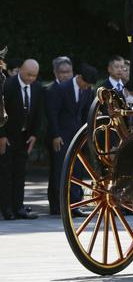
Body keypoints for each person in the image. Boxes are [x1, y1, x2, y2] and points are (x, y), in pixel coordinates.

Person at [45, 64, 98, 215]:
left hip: (77, 135)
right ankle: (57, 205)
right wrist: (55, 135)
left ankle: (75, 204)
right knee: (60, 170)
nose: (87, 86)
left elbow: (86, 112)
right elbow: (52, 114)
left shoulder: (88, 90)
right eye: (85, 83)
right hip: (61, 134)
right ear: (79, 77)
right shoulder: (60, 88)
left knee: (77, 169)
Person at [0, 59, 43, 219]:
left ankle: (19, 207)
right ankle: (7, 209)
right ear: (21, 71)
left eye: (34, 76)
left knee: (20, 173)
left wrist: (34, 135)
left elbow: (38, 113)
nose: (31, 78)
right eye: (28, 74)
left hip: (24, 137)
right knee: (6, 174)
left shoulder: (37, 88)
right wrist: (2, 135)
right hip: (7, 136)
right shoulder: (7, 85)